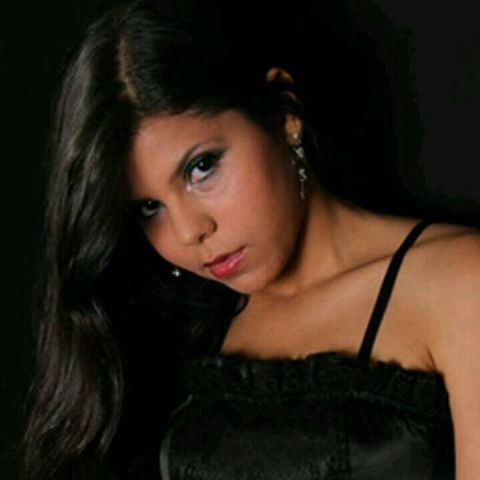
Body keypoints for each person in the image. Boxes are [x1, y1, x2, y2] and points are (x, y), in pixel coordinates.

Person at [23, 0, 480, 478]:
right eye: (149, 207)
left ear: (284, 113)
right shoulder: (182, 328)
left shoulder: (456, 283)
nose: (188, 232)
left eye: (201, 168)